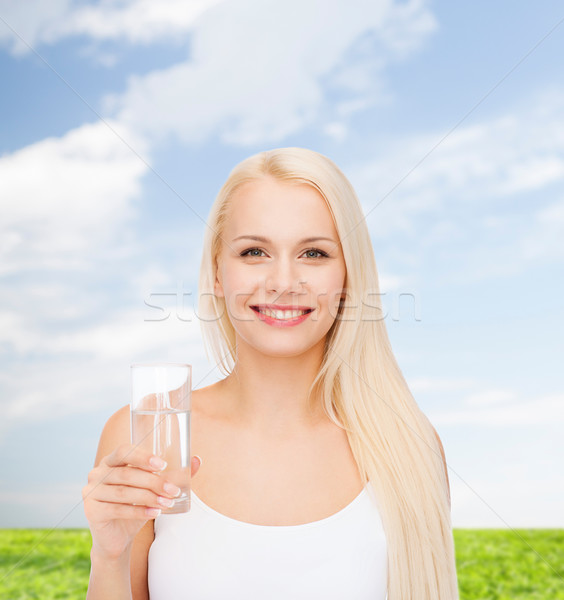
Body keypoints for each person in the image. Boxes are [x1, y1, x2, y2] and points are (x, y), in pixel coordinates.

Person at [83, 147, 459, 599]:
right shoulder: (147, 433)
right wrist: (109, 557)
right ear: (217, 274)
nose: (283, 281)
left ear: (348, 278)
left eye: (314, 253)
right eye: (255, 251)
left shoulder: (408, 448)